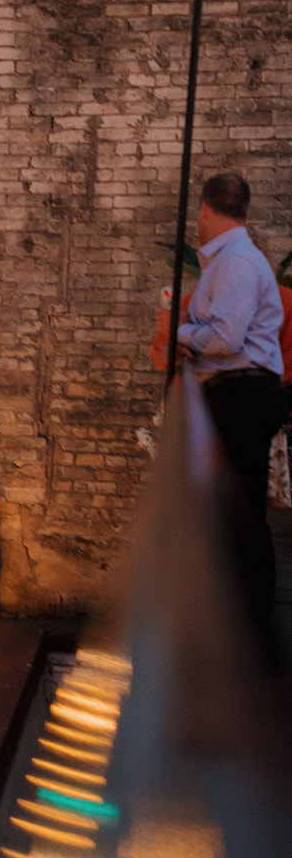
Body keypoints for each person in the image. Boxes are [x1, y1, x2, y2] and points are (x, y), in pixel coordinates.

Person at [173, 172, 286, 645]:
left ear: (204, 209)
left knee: (240, 515)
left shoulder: (237, 262)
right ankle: (241, 624)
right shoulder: (232, 261)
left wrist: (179, 333)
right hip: (237, 392)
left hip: (242, 392)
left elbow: (224, 338)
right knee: (231, 512)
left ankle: (253, 633)